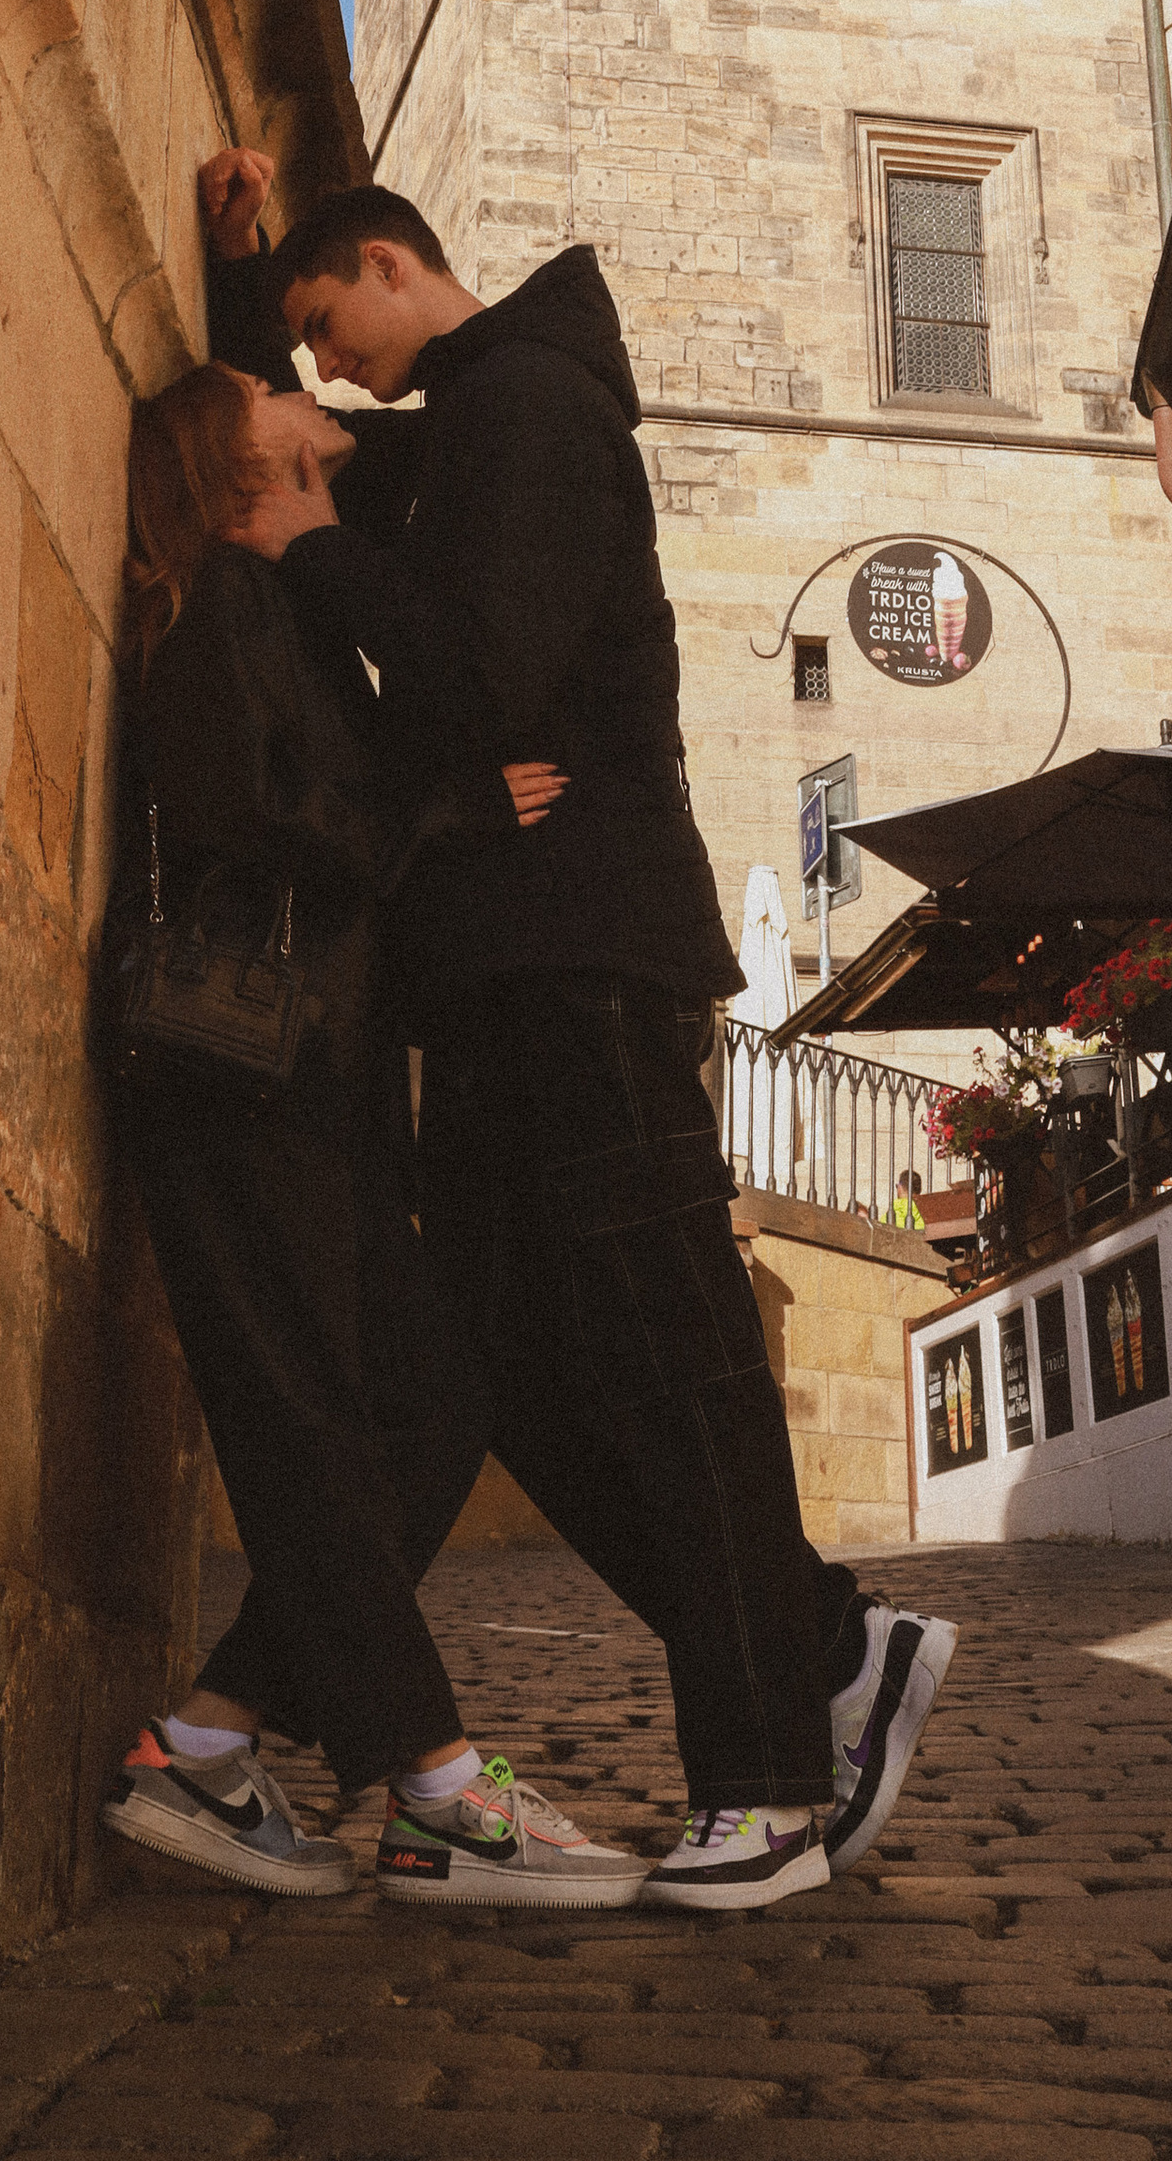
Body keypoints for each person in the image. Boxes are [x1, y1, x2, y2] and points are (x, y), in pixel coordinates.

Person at [201, 154, 955, 1912]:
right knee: (502, 1390)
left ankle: (770, 1786)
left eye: (332, 326)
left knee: (678, 1360)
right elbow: (296, 451)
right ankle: (823, 1646)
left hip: (584, 960)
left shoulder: (529, 404)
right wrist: (249, 282)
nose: (335, 374)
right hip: (499, 973)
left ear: (397, 267)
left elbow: (490, 677)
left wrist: (319, 557)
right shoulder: (469, 415)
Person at [99, 356, 647, 1912]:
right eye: (271, 391)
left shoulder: (285, 592)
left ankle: (210, 1742)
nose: (308, 394)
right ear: (230, 464)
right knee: (312, 1426)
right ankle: (440, 1792)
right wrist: (446, 814)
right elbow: (244, 808)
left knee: (430, 1399)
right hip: (229, 1072)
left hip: (309, 1083)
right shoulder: (221, 599)